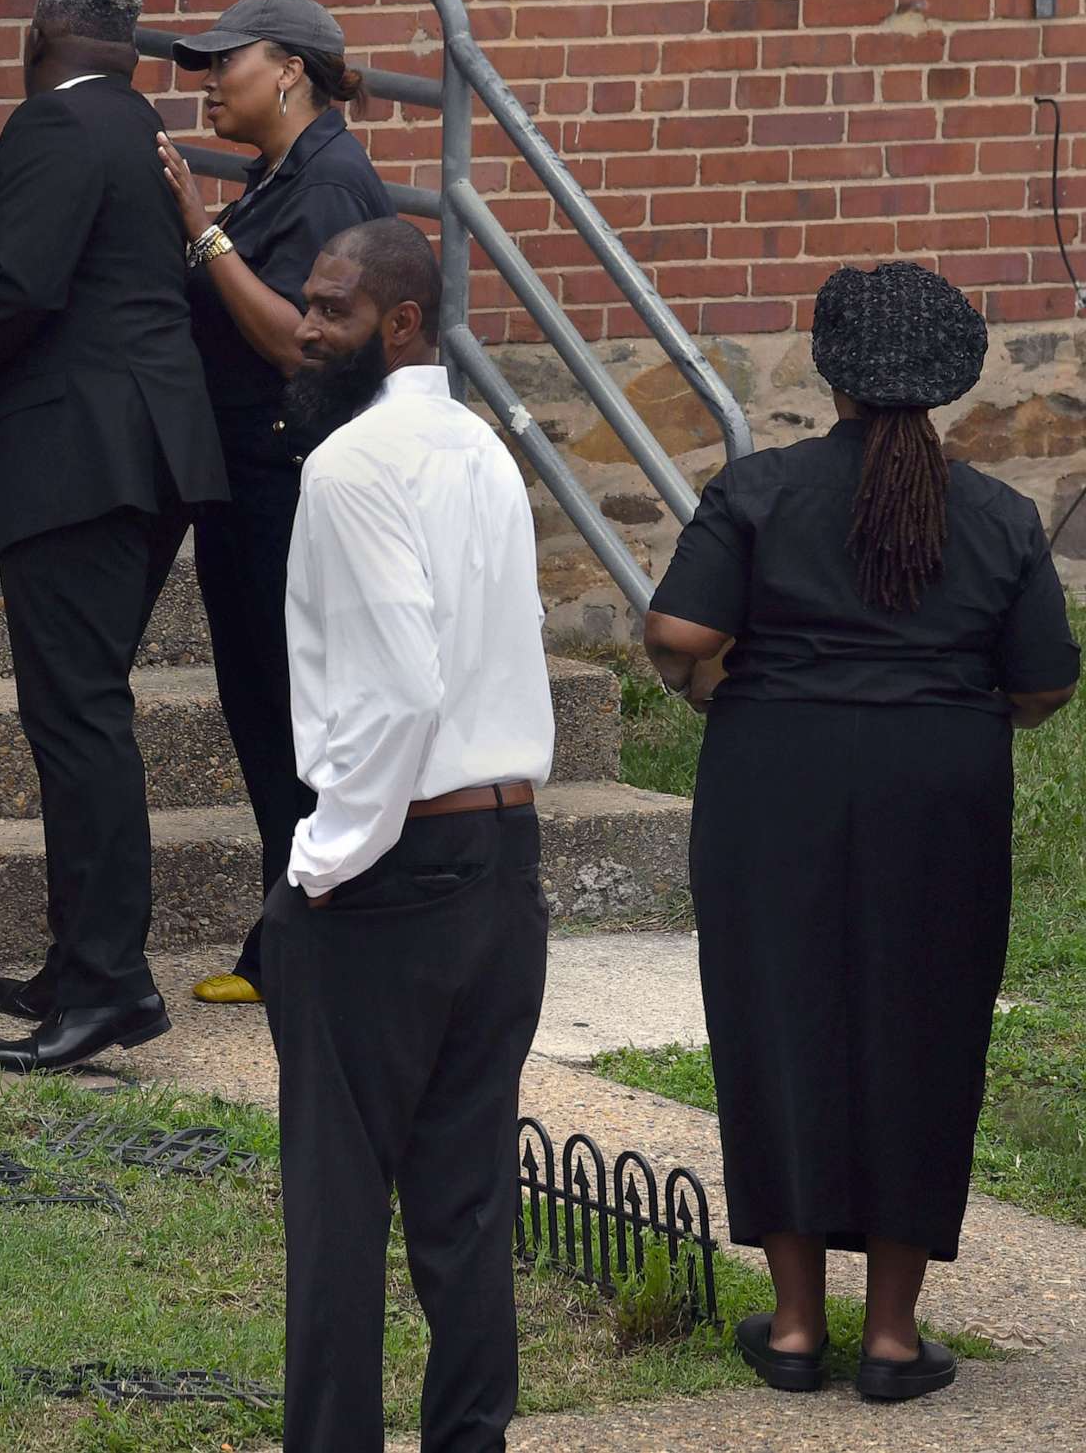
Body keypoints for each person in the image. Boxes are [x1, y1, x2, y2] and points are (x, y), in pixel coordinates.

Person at [644, 261, 1078, 1405]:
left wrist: (707, 680)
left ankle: (793, 1327)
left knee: (773, 1016)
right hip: (939, 793)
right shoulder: (996, 511)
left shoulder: (763, 489)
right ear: (946, 383)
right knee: (923, 1026)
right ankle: (891, 1338)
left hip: (771, 782)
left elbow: (680, 626)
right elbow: (1042, 686)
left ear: (830, 372)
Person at [0, 0, 228, 1075]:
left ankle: (115, 986)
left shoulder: (45, 126)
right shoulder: (134, 128)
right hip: (149, 454)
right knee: (81, 714)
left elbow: (22, 293)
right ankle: (78, 962)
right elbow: (73, 259)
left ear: (38, 36)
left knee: (79, 723)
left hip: (82, 463)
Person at [263, 218, 556, 1453]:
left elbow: (397, 690)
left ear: (396, 323)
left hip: (393, 865)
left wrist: (325, 862)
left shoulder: (349, 468)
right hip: (503, 862)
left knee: (339, 1208)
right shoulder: (484, 448)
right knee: (467, 1197)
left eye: (328, 309)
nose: (302, 327)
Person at [153, 0, 393, 1009]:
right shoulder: (283, 175)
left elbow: (303, 338)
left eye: (225, 63)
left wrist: (204, 235)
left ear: (289, 69)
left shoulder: (330, 185)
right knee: (262, 711)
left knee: (295, 716)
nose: (209, 83)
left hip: (290, 488)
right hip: (246, 481)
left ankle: (312, 936)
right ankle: (286, 928)